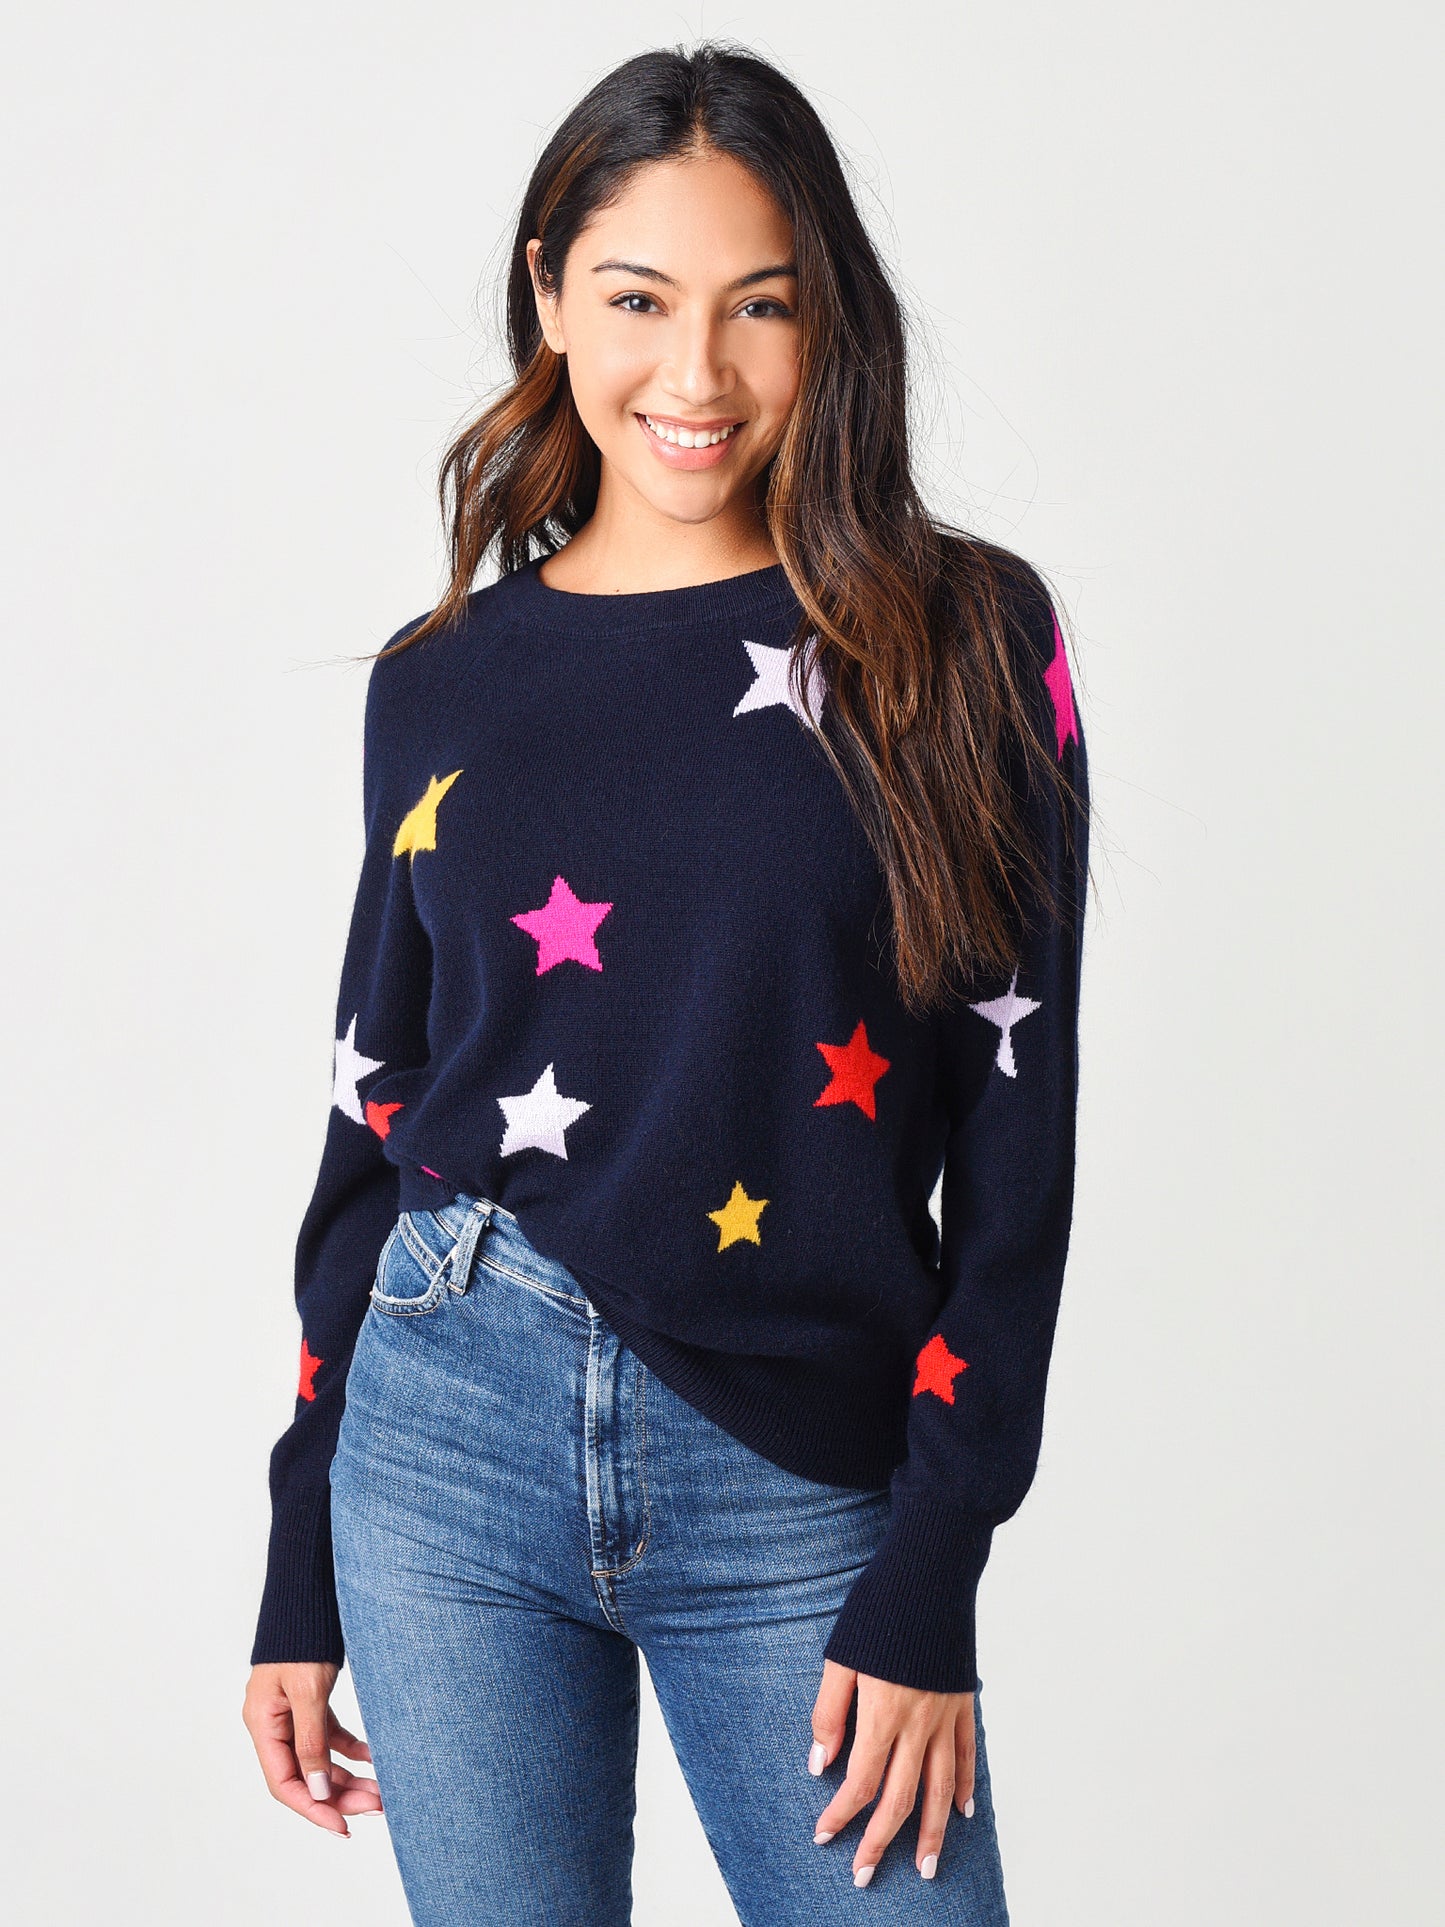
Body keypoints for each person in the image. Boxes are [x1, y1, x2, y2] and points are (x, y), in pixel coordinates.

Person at [241, 39, 1090, 1927]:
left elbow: (1015, 1138)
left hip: (798, 1468)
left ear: (826, 319)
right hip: (444, 1432)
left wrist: (933, 1563)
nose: (694, 374)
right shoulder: (441, 679)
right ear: (549, 294)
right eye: (637, 300)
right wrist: (299, 1550)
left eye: (757, 306)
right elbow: (376, 1107)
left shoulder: (963, 639)